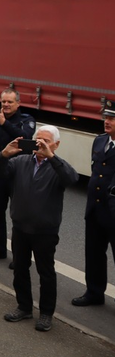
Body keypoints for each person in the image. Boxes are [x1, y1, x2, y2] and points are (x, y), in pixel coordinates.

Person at [0, 127, 78, 332]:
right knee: (20, 269)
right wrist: (4, 154)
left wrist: (51, 157)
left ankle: (46, 314)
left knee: (46, 273)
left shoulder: (58, 167)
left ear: (56, 145)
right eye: (37, 139)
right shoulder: (20, 161)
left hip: (45, 231)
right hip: (20, 227)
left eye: (46, 141)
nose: (40, 144)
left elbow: (72, 179)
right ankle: (24, 307)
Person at [0, 89, 36, 264]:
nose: (6, 105)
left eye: (10, 102)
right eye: (3, 102)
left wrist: (3, 123)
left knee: (19, 218)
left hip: (18, 175)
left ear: (18, 103)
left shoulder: (26, 120)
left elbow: (25, 139)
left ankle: (19, 256)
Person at [72, 108, 115, 308]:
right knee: (94, 254)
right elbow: (95, 170)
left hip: (114, 213)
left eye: (112, 118)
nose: (107, 121)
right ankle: (94, 293)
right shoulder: (99, 141)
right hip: (96, 209)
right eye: (106, 117)